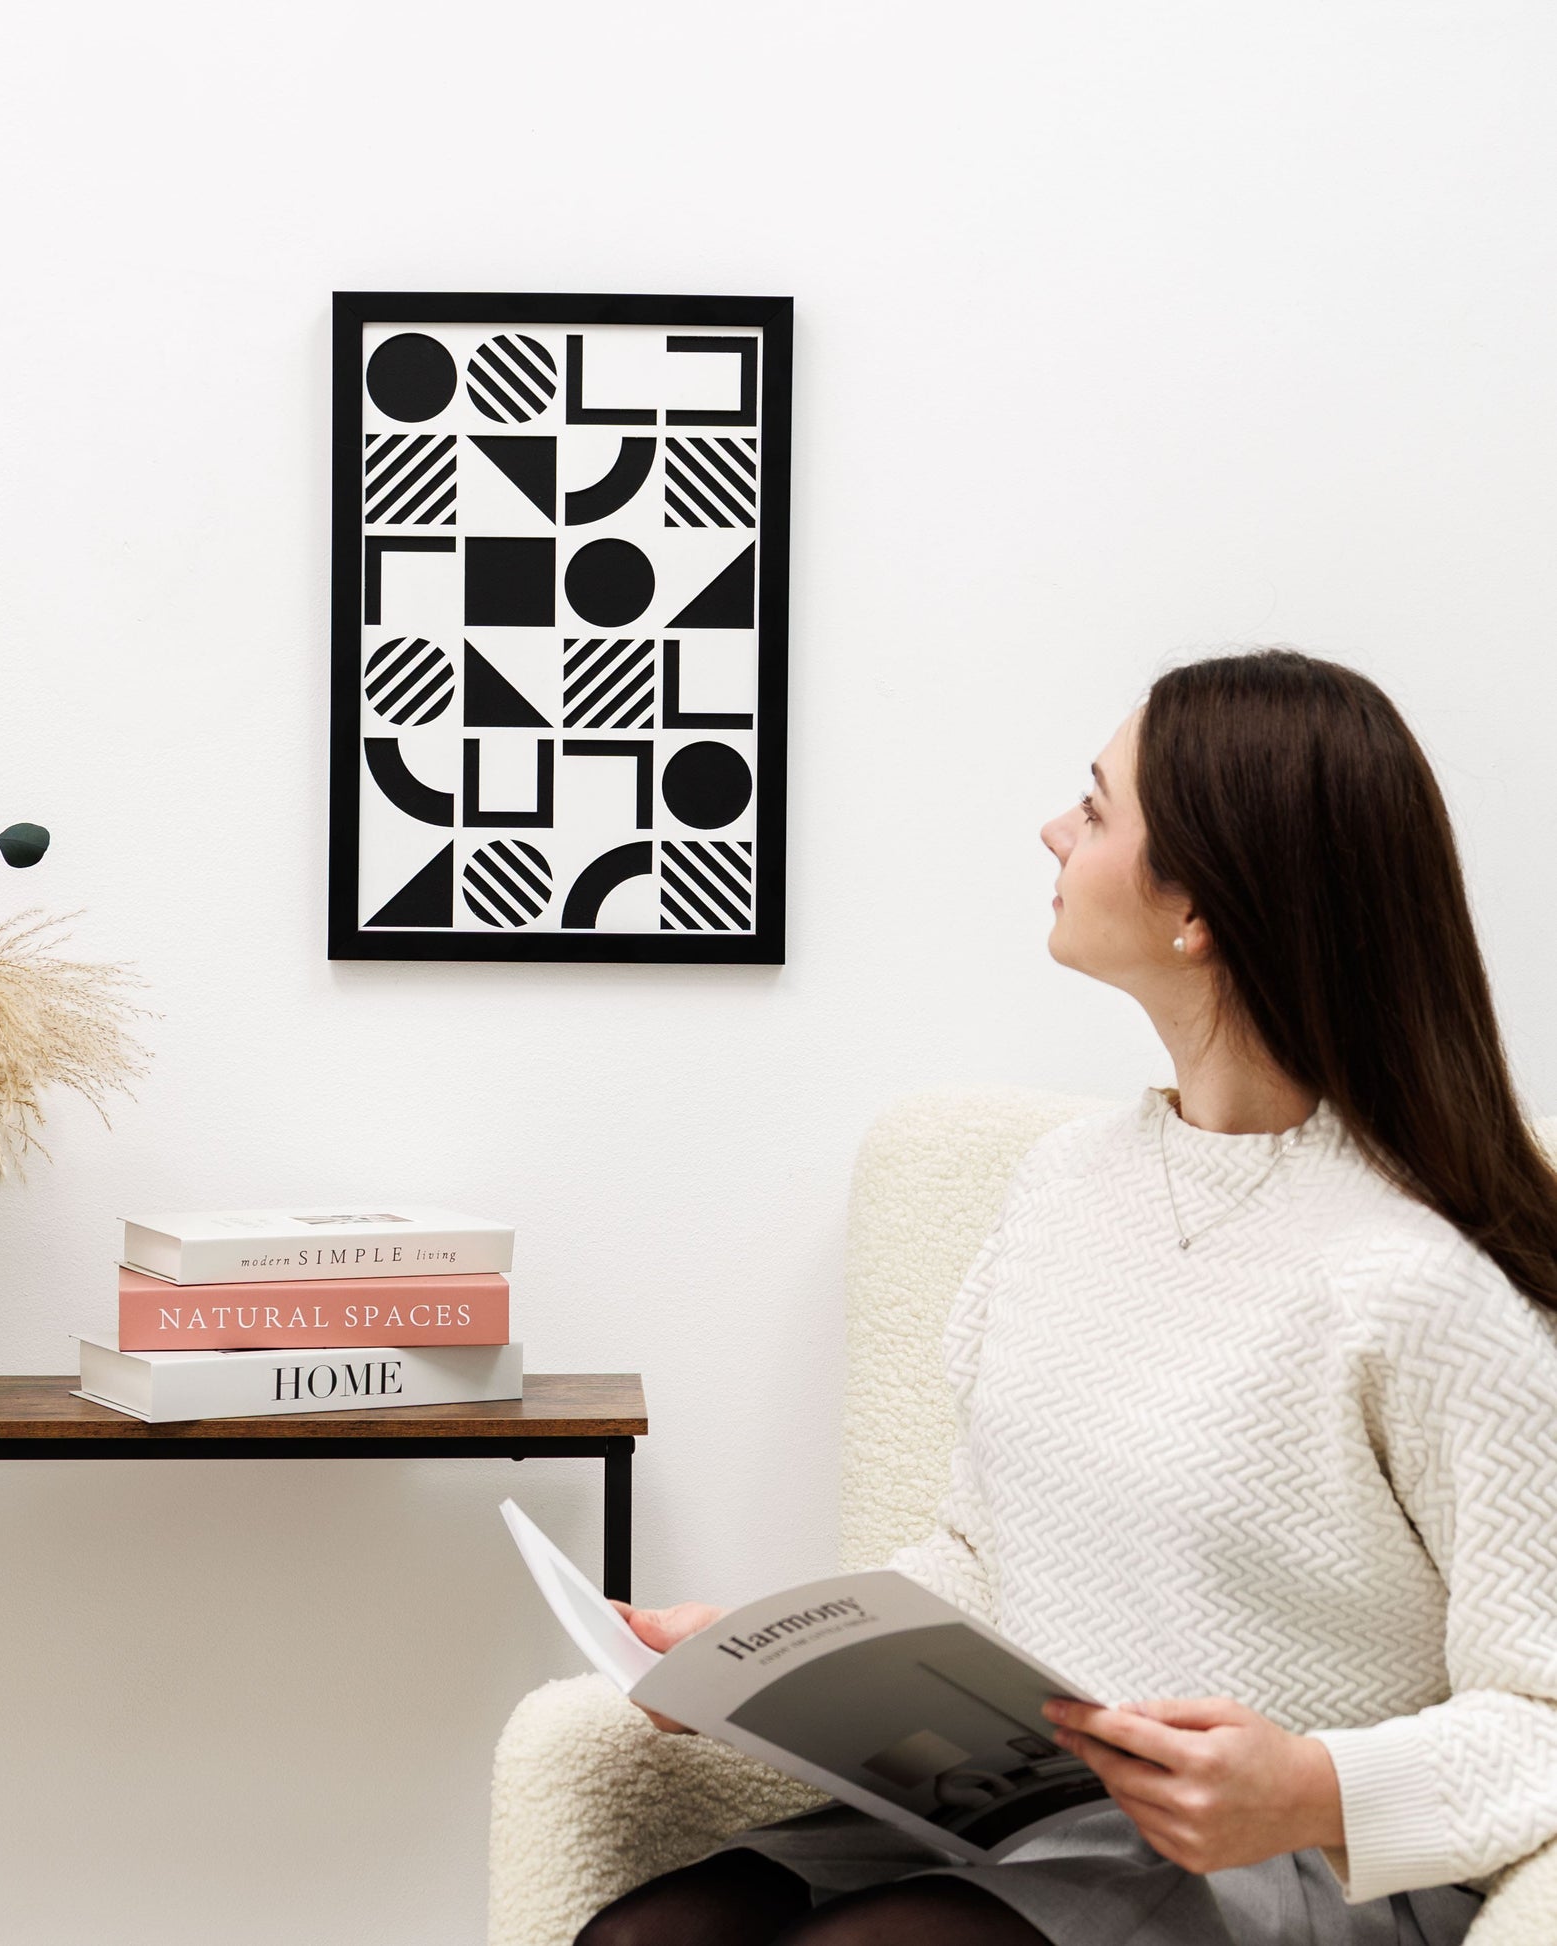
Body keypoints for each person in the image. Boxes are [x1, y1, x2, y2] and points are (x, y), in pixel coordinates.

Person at [575, 648, 1557, 1946]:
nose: (1051, 825)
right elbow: (983, 1562)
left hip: (1293, 1867)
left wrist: (1313, 1785)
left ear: (1195, 907)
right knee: (648, 1937)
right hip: (1016, 1819)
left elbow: (1539, 1709)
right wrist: (751, 1652)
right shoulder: (1059, 1187)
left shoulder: (1428, 1279)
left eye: (1092, 807)